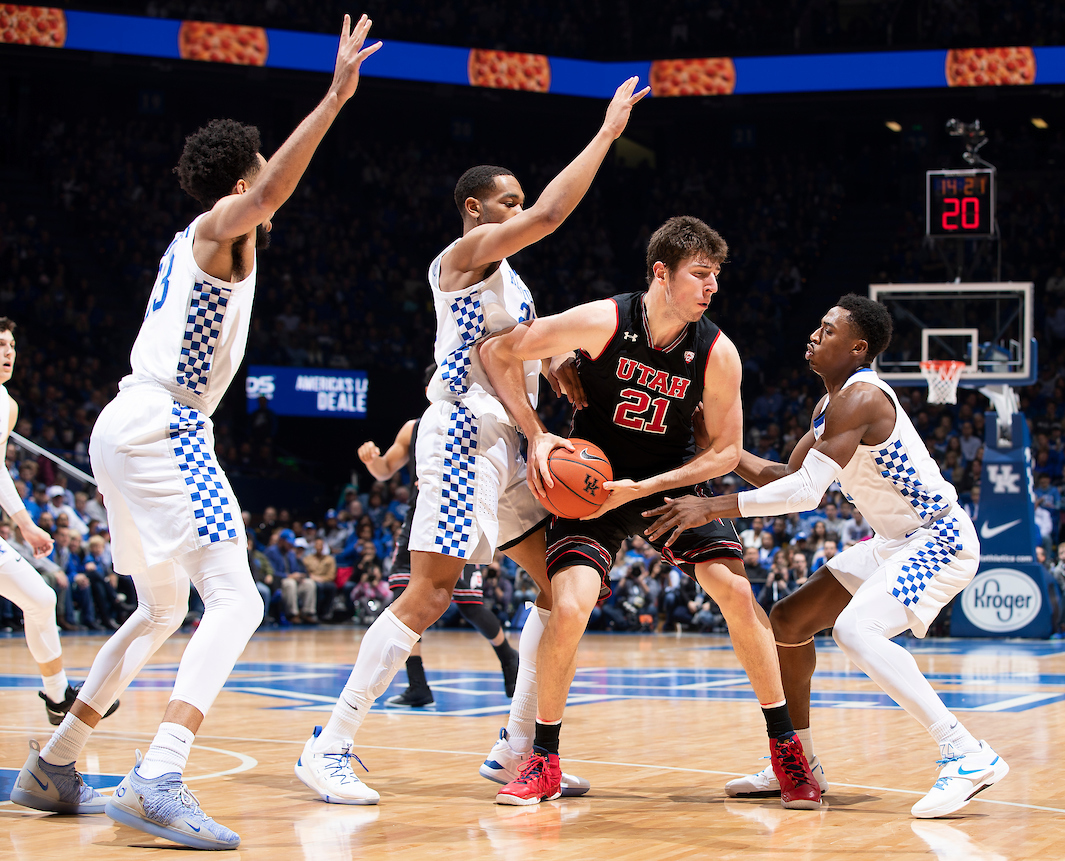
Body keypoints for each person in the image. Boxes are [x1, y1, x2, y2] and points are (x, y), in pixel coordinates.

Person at [10, 17, 381, 849]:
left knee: (159, 608)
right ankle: (159, 773)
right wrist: (333, 98)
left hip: (129, 423)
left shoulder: (204, 244)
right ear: (244, 178)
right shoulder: (219, 226)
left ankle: (58, 762)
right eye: (260, 178)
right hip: (165, 425)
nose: (269, 195)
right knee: (239, 598)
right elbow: (267, 195)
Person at [292, 77, 648, 805]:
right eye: (506, 202)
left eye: (518, 202)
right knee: (429, 593)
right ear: (474, 209)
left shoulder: (514, 285)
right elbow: (552, 213)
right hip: (459, 431)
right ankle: (329, 745)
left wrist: (560, 365)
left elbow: (527, 347)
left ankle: (517, 751)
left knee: (558, 589)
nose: (518, 211)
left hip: (512, 444)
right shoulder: (466, 256)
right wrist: (608, 133)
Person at [478, 215, 822, 809]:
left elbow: (723, 453)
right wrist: (536, 434)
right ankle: (544, 758)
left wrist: (646, 489)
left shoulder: (718, 352)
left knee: (737, 595)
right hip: (592, 484)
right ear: (661, 274)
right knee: (570, 604)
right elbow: (497, 350)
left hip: (664, 483)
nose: (712, 288)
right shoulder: (603, 320)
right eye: (701, 275)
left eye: (716, 276)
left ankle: (786, 752)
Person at [645, 295, 1006, 819]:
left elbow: (804, 496)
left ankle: (966, 753)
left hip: (939, 537)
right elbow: (784, 479)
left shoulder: (861, 398)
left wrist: (710, 506)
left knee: (857, 631)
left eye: (829, 329)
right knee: (788, 620)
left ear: (858, 348)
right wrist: (718, 451)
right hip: (895, 542)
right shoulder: (828, 408)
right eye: (818, 325)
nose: (815, 334)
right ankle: (800, 762)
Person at [353, 403, 519, 709]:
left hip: (461, 515)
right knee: (404, 597)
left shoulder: (483, 422)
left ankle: (509, 657)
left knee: (469, 605)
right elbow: (385, 470)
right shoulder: (415, 427)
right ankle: (418, 685)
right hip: (420, 518)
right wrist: (373, 462)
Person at [0, 320, 118, 733]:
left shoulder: (7, 405)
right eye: (0, 344)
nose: (8, 352)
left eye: (11, 344)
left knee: (40, 599)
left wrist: (25, 525)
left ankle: (56, 696)